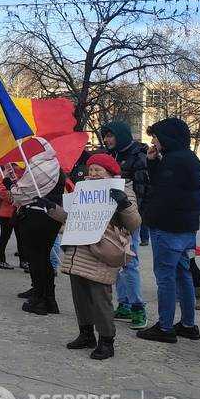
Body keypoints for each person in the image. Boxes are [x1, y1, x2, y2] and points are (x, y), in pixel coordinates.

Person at [57, 153, 139, 360]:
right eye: (91, 170)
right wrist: (51, 210)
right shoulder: (82, 190)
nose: (92, 174)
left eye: (98, 170)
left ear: (110, 173)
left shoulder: (122, 191)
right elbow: (71, 216)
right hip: (78, 250)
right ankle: (86, 334)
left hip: (102, 251)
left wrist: (124, 205)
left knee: (100, 299)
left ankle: (106, 340)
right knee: (80, 297)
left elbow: (135, 223)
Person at [137, 117, 200, 344]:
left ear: (167, 137)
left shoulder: (173, 161)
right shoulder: (189, 158)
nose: (153, 141)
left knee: (165, 277)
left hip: (168, 228)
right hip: (186, 228)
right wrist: (154, 163)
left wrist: (147, 217)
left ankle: (165, 327)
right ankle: (188, 324)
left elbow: (162, 195)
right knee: (183, 274)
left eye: (156, 136)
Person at [100, 121, 150, 329]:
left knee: (130, 263)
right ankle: (124, 304)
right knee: (116, 261)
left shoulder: (138, 156)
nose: (107, 140)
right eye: (106, 136)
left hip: (129, 216)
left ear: (120, 136)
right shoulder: (110, 155)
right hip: (111, 217)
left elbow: (142, 189)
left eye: (111, 136)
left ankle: (138, 308)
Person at [11, 140, 67, 315]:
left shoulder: (38, 168)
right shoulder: (56, 166)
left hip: (36, 217)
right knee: (45, 258)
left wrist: (9, 184)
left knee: (36, 259)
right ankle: (50, 299)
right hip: (53, 218)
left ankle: (39, 300)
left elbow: (21, 194)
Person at [0, 165, 19, 270]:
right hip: (7, 212)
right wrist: (15, 198)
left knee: (22, 238)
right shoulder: (2, 175)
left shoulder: (20, 173)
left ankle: (24, 261)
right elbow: (1, 192)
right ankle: (0, 260)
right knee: (4, 237)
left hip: (19, 211)